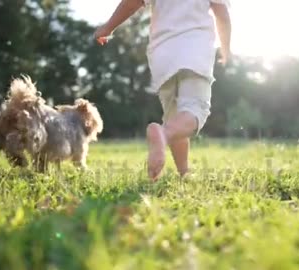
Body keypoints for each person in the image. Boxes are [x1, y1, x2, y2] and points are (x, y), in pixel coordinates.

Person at [95, 0, 231, 180]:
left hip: (162, 54)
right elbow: (221, 14)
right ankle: (163, 134)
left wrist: (108, 27)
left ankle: (184, 172)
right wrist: (226, 49)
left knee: (174, 118)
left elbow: (132, 2)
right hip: (195, 50)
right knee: (194, 109)